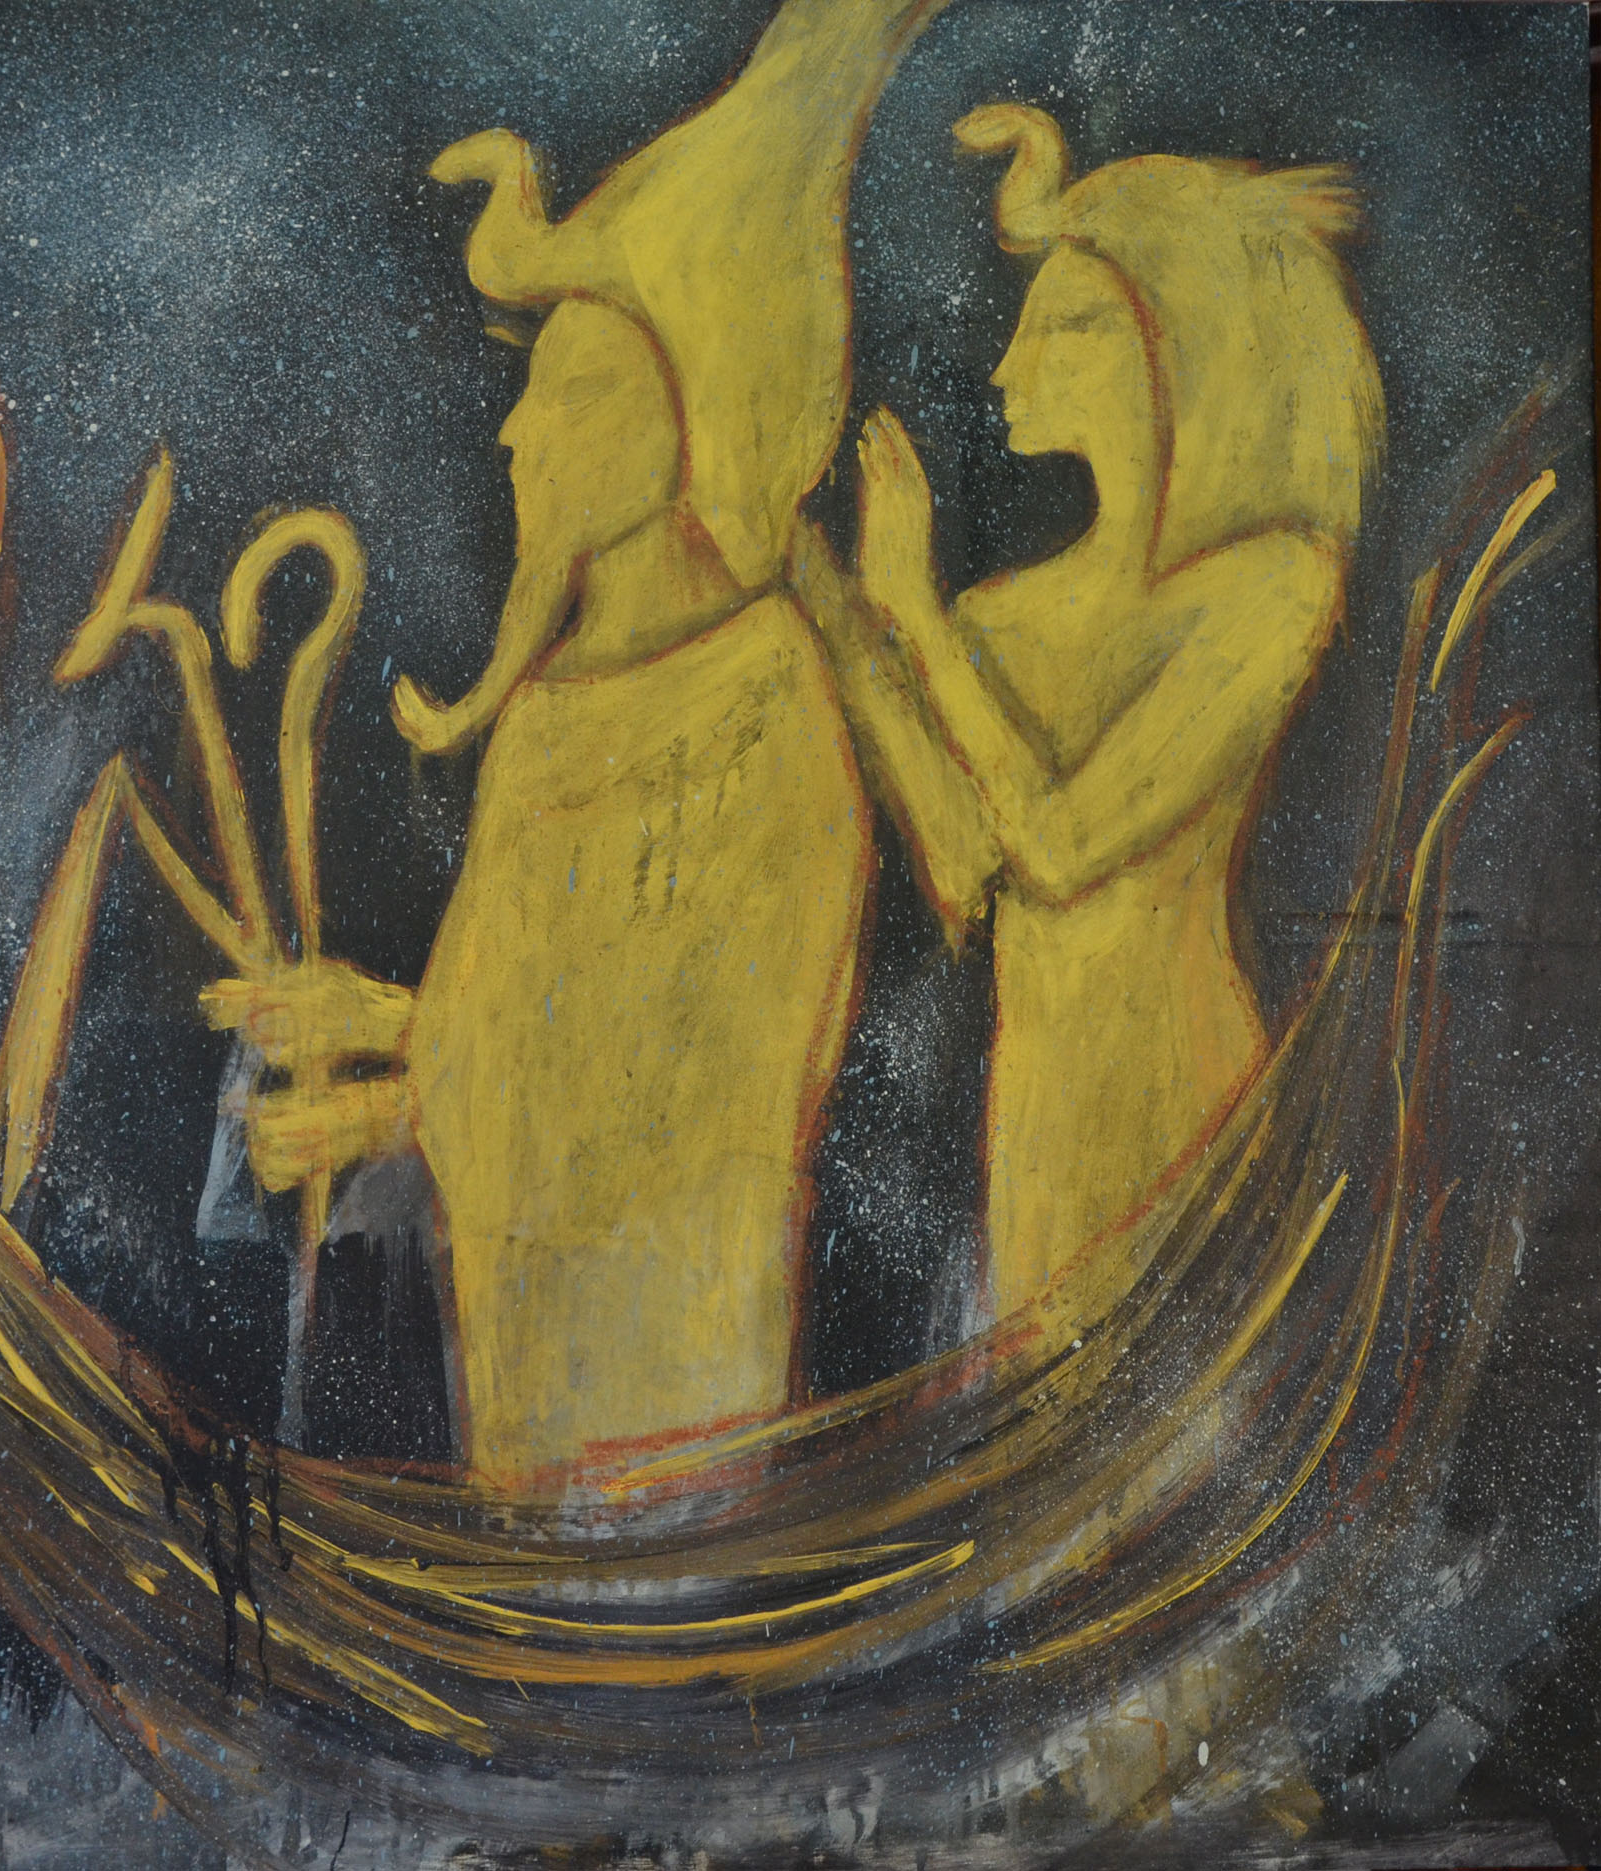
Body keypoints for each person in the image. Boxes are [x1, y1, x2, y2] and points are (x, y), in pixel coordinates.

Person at [209, 0, 950, 1486]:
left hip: (671, 1380)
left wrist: (385, 1108)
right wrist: (378, 1017)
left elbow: (693, 1091)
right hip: (523, 1365)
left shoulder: (761, 699)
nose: (519, 431)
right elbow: (530, 1013)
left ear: (696, 421)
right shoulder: (549, 711)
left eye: (574, 389)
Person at [804, 103, 1384, 1328]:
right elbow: (964, 870)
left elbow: (1062, 848)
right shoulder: (1000, 616)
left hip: (1180, 1100)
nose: (1011, 364)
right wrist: (846, 614)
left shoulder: (1272, 583)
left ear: (1176, 337)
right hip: (1033, 1121)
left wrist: (917, 617)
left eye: (1067, 325)